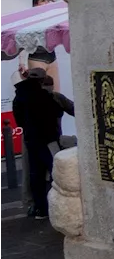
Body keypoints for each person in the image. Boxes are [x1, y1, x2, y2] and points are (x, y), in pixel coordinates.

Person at [12, 68, 73, 220]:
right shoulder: (51, 96)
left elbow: (18, 119)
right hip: (49, 140)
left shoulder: (20, 96)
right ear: (42, 80)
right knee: (56, 171)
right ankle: (57, 206)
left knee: (35, 174)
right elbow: (70, 109)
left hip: (30, 140)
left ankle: (39, 208)